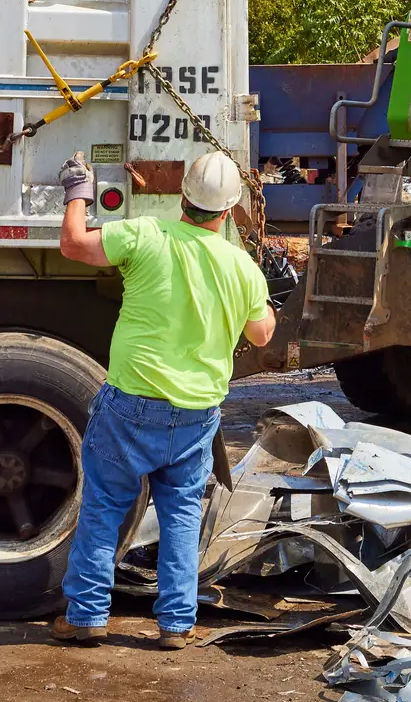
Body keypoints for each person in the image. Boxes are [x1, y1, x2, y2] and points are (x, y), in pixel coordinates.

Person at [50, 150, 277, 650]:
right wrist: (250, 296)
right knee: (180, 512)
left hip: (131, 402)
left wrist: (77, 192)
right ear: (230, 210)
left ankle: (87, 615)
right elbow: (262, 335)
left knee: (106, 505)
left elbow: (73, 244)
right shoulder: (240, 267)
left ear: (183, 198)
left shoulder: (145, 235)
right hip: (196, 414)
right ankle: (175, 624)